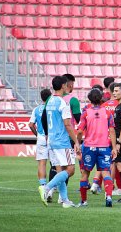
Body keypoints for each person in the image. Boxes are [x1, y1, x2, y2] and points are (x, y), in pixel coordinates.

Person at [38, 76, 81, 208]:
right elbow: (68, 125)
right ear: (64, 86)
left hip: (51, 141)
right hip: (62, 141)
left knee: (60, 170)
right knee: (71, 169)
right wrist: (76, 142)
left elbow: (43, 118)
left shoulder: (50, 100)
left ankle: (65, 200)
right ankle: (47, 188)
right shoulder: (62, 103)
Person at [77, 88, 117, 207]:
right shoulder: (107, 113)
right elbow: (112, 131)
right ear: (101, 99)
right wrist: (114, 147)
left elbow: (79, 131)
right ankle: (109, 196)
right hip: (105, 146)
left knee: (85, 174)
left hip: (89, 147)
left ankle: (84, 201)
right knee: (106, 172)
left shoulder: (86, 113)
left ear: (89, 99)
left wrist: (77, 144)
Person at [29, 89, 52, 192]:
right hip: (52, 137)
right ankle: (53, 187)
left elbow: (31, 124)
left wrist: (37, 134)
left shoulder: (36, 109)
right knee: (56, 164)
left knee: (42, 163)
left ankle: (43, 186)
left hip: (42, 138)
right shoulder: (52, 108)